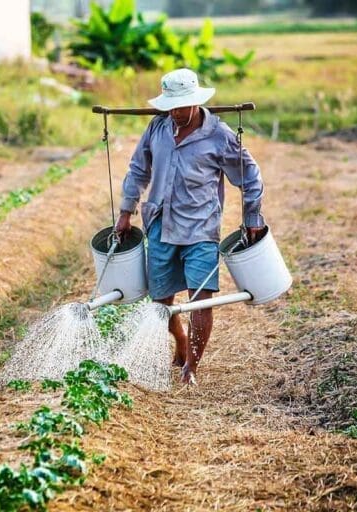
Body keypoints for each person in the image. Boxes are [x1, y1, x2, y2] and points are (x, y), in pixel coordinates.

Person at [114, 68, 265, 386]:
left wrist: (252, 218)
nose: (177, 113)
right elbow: (138, 170)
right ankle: (180, 340)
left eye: (182, 106)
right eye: (172, 107)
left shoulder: (219, 136)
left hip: (201, 229)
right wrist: (126, 211)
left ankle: (190, 369)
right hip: (160, 224)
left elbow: (250, 176)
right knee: (161, 302)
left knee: (201, 298)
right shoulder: (157, 128)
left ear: (196, 102)